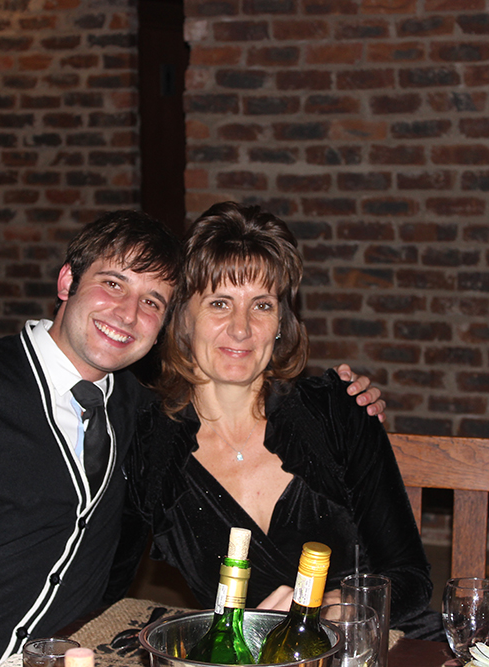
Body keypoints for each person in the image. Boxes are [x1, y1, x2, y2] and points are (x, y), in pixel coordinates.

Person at [0, 208, 385, 667]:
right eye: (112, 284)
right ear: (67, 280)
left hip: (71, 655)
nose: (127, 314)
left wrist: (349, 408)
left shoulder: (143, 416)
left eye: (153, 301)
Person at [112, 201, 440, 637]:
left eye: (262, 306)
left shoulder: (336, 410)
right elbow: (107, 584)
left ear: (282, 322)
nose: (241, 328)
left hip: (381, 644)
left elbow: (410, 579)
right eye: (220, 303)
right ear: (183, 319)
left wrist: (330, 609)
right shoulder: (151, 446)